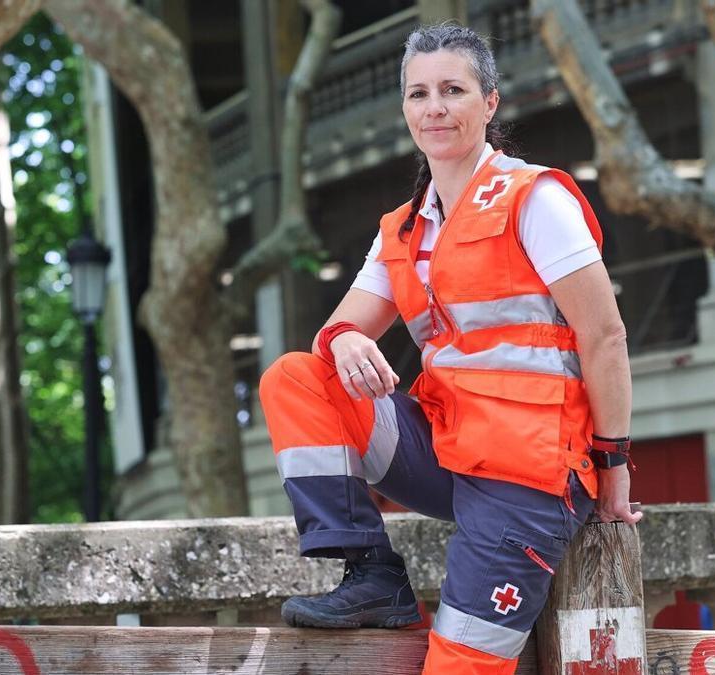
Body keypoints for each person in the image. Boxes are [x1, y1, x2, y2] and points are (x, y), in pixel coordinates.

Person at [258, 23, 641, 675]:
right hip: (445, 450)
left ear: (489, 103)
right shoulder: (404, 228)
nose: (434, 107)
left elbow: (605, 336)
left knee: (459, 667)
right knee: (300, 376)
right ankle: (373, 572)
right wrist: (346, 336)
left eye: (453, 90)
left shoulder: (535, 199)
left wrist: (614, 465)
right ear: (404, 108)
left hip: (530, 473)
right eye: (418, 93)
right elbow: (340, 330)